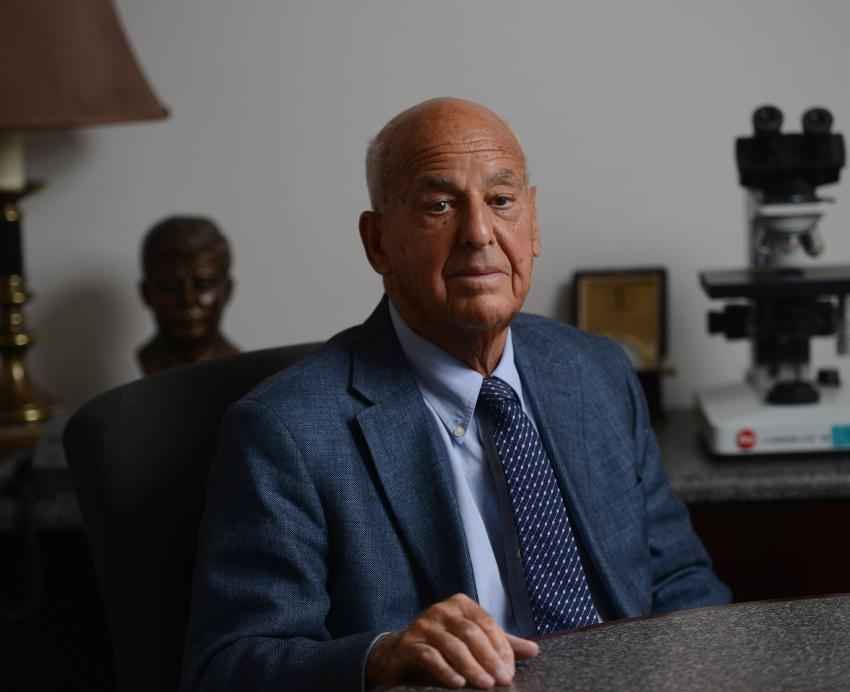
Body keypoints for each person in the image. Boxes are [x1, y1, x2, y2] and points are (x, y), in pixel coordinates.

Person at [180, 98, 729, 692]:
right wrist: (380, 657)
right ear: (378, 242)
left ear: (533, 222)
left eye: (501, 201)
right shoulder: (286, 432)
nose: (478, 233)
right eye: (439, 206)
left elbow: (681, 581)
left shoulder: (596, 371)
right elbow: (227, 667)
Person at [137, 216, 238, 374]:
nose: (187, 300)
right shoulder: (149, 362)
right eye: (170, 286)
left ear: (227, 290)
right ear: (146, 293)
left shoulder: (242, 366)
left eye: (203, 285)